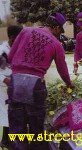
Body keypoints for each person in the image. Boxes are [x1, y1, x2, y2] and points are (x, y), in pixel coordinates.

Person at [7, 13, 73, 150]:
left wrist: (22, 66)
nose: (59, 34)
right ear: (55, 27)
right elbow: (63, 69)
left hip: (16, 82)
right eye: (60, 30)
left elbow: (10, 56)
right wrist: (69, 83)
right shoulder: (56, 43)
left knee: (17, 128)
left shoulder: (25, 31)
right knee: (37, 129)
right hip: (35, 85)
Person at [0, 25, 23, 149]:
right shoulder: (2, 51)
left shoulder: (17, 48)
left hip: (15, 87)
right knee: (7, 115)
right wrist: (5, 79)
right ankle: (6, 141)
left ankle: (6, 140)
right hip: (4, 87)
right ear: (12, 37)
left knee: (12, 115)